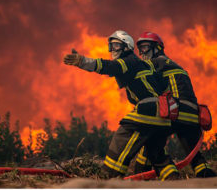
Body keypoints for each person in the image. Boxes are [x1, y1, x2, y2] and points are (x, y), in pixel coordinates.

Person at [63, 30, 179, 180]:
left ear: (127, 47)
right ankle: (174, 180)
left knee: (122, 137)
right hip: (163, 115)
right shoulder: (142, 64)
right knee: (155, 153)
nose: (112, 50)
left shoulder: (129, 60)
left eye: (117, 45)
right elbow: (163, 86)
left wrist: (82, 61)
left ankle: (109, 177)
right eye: (111, 46)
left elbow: (109, 66)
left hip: (149, 109)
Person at [134, 32, 216, 178]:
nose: (142, 53)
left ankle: (160, 174)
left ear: (157, 48)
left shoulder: (154, 63)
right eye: (140, 49)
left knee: (150, 139)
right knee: (193, 151)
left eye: (145, 48)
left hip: (175, 111)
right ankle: (205, 173)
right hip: (192, 114)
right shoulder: (173, 64)